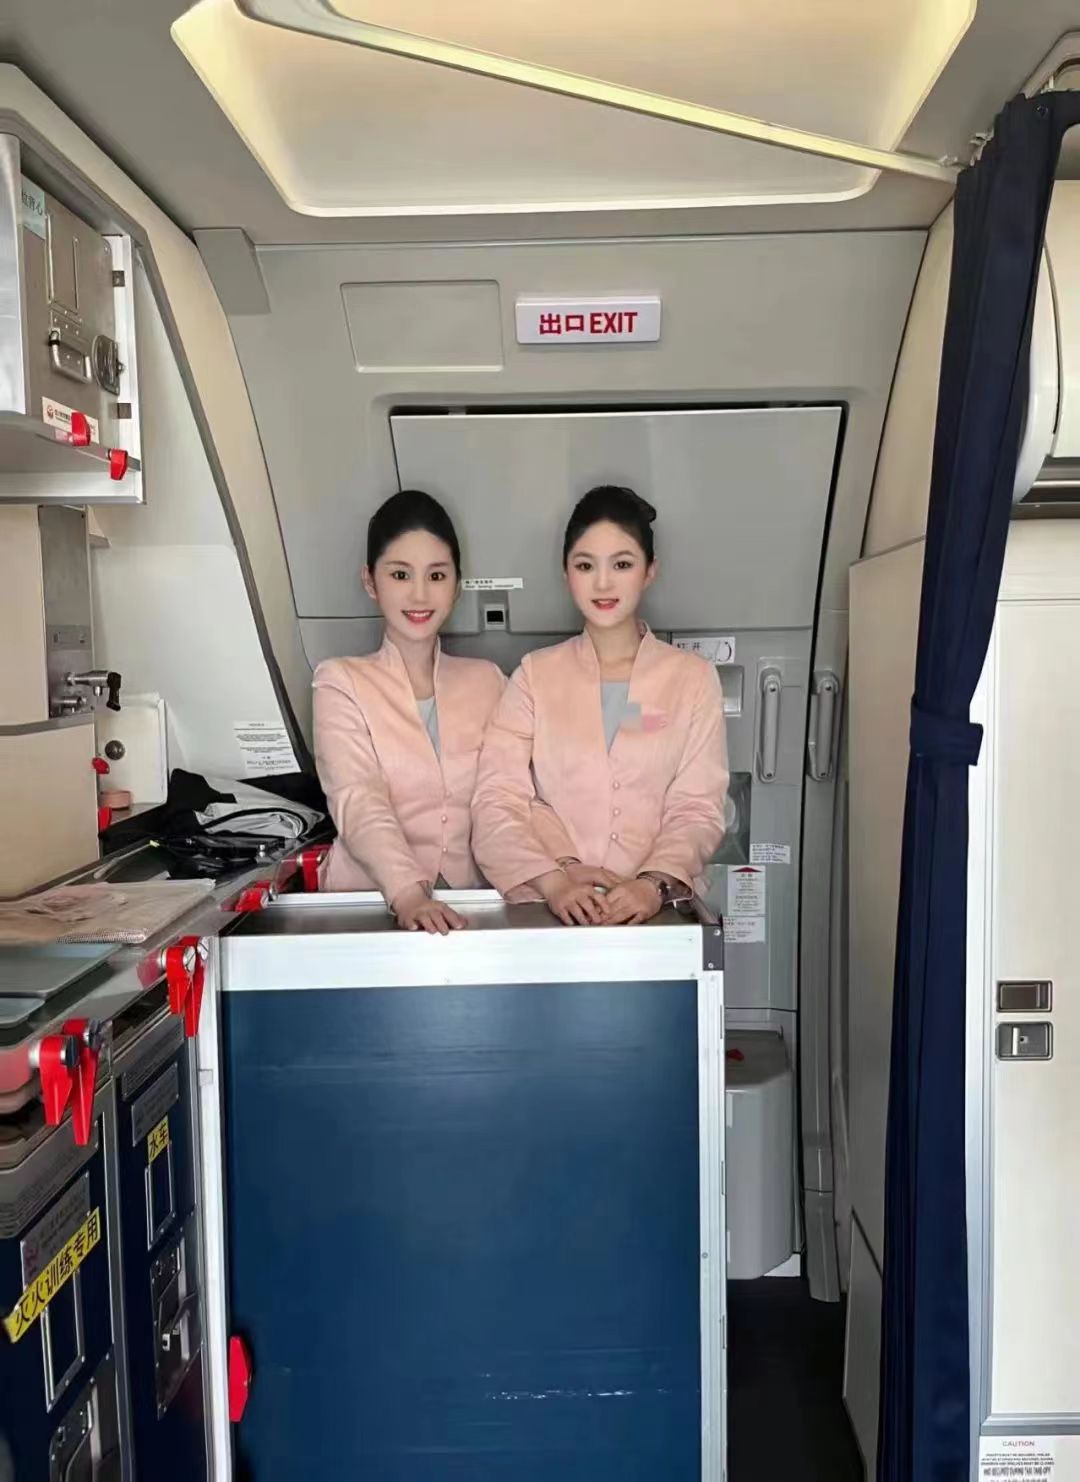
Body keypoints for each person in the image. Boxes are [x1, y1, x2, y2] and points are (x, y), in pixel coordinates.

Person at [472, 485, 729, 926]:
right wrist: (557, 880)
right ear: (566, 573)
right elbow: (497, 799)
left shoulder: (693, 679)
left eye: (622, 564)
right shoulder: (534, 676)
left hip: (657, 919)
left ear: (650, 571)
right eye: (585, 565)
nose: (603, 583)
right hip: (551, 916)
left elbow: (698, 806)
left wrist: (652, 884)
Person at [313, 490, 505, 933]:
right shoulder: (340, 682)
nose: (420, 594)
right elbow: (357, 797)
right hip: (365, 907)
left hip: (471, 906)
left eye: (436, 575)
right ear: (370, 581)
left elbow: (510, 799)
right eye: (400, 574)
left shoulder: (489, 681)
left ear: (457, 584)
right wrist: (407, 894)